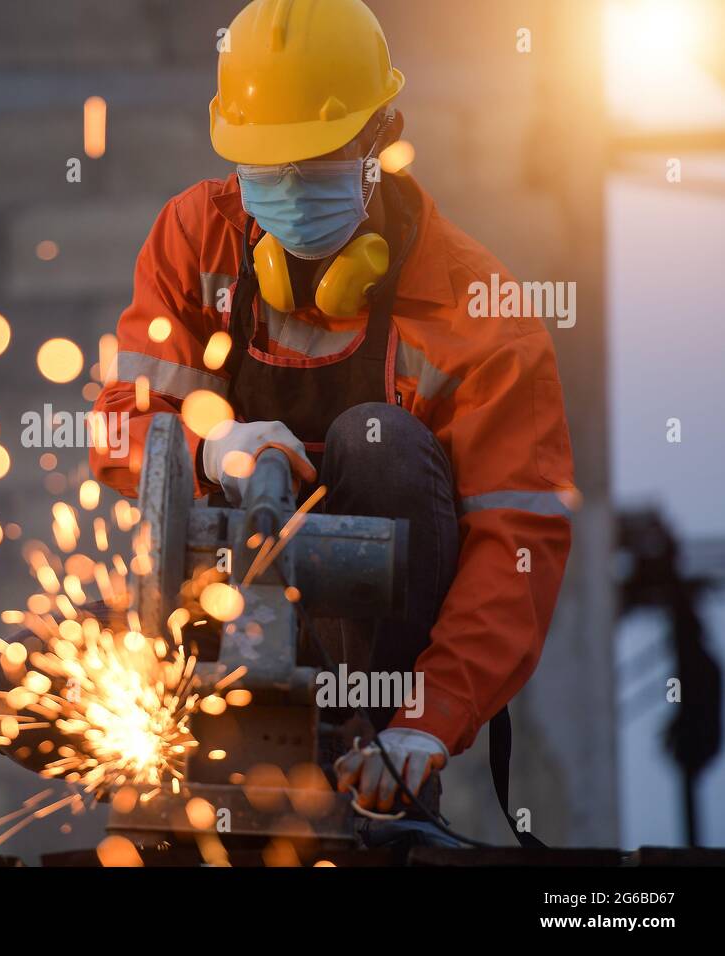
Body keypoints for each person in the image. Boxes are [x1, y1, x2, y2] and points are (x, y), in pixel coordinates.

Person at [89, 0, 576, 813]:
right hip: (221, 639)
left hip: (387, 686)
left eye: (312, 160)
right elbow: (116, 427)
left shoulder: (476, 312)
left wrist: (427, 722)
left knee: (374, 438)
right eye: (261, 164)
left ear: (379, 139)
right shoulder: (197, 240)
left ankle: (364, 737)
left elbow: (517, 543)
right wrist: (211, 448)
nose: (282, 190)